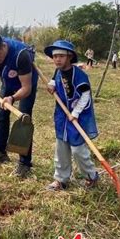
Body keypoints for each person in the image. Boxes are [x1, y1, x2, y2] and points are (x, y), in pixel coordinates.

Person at [43, 40, 99, 191]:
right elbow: (54, 80)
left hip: (77, 116)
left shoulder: (79, 75)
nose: (57, 59)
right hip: (62, 116)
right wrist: (51, 85)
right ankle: (61, 179)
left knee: (78, 150)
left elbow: (85, 95)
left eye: (61, 56)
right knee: (61, 148)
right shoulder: (58, 71)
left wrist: (75, 113)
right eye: (55, 57)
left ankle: (91, 176)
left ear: (69, 57)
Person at [0, 33, 38, 178]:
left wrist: (12, 98)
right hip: (8, 80)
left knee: (24, 119)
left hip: (25, 84)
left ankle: (24, 164)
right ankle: (0, 153)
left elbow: (26, 88)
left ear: (3, 47)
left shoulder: (21, 55)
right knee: (1, 114)